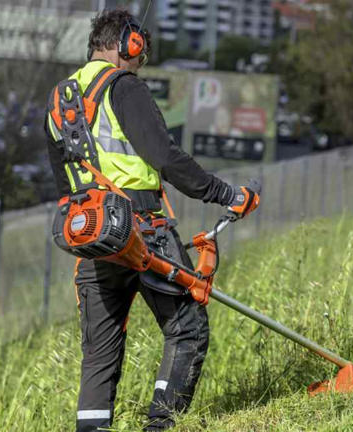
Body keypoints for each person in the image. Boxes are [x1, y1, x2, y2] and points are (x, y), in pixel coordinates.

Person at [44, 8, 260, 432]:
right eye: (140, 54)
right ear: (129, 45)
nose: (141, 64)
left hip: (91, 236)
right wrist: (226, 194)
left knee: (100, 354)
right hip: (143, 231)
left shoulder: (59, 99)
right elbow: (164, 157)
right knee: (187, 329)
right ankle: (160, 427)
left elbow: (64, 184)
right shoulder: (124, 87)